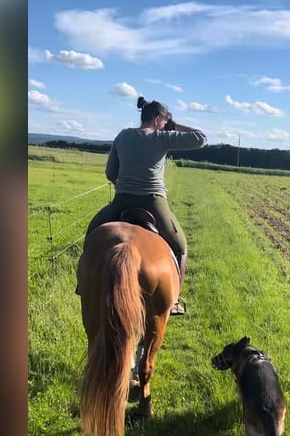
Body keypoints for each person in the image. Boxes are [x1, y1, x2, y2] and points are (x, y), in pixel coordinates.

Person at [85, 96, 207, 315]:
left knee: (92, 233)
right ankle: (174, 300)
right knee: (180, 247)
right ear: (159, 120)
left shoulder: (122, 136)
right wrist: (174, 125)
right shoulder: (162, 137)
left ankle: (83, 284)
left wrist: (125, 184)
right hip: (154, 202)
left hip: (122, 199)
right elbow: (200, 138)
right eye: (164, 120)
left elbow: (110, 172)